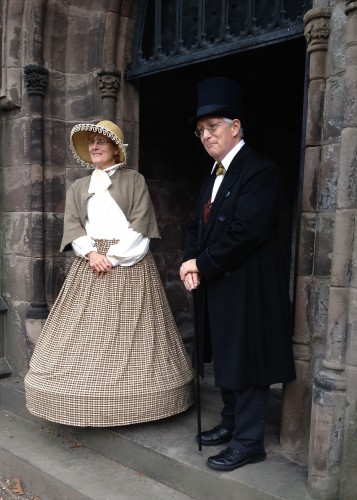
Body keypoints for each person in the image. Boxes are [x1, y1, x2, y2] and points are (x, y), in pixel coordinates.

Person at [25, 120, 194, 427]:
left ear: (117, 148)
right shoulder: (79, 186)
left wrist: (113, 258)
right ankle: (86, 396)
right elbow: (73, 225)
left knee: (131, 331)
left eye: (101, 142)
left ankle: (131, 400)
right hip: (90, 262)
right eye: (91, 142)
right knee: (86, 334)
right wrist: (91, 253)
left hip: (128, 262)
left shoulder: (134, 180)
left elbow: (141, 224)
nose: (95, 146)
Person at [180, 77, 296, 471]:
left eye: (213, 127)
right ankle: (230, 424)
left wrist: (203, 264)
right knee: (227, 355)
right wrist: (190, 260)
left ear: (236, 127)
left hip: (250, 284)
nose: (206, 135)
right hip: (219, 281)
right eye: (201, 130)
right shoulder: (211, 174)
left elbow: (247, 230)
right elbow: (197, 225)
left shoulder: (259, 169)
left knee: (248, 360)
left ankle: (249, 442)